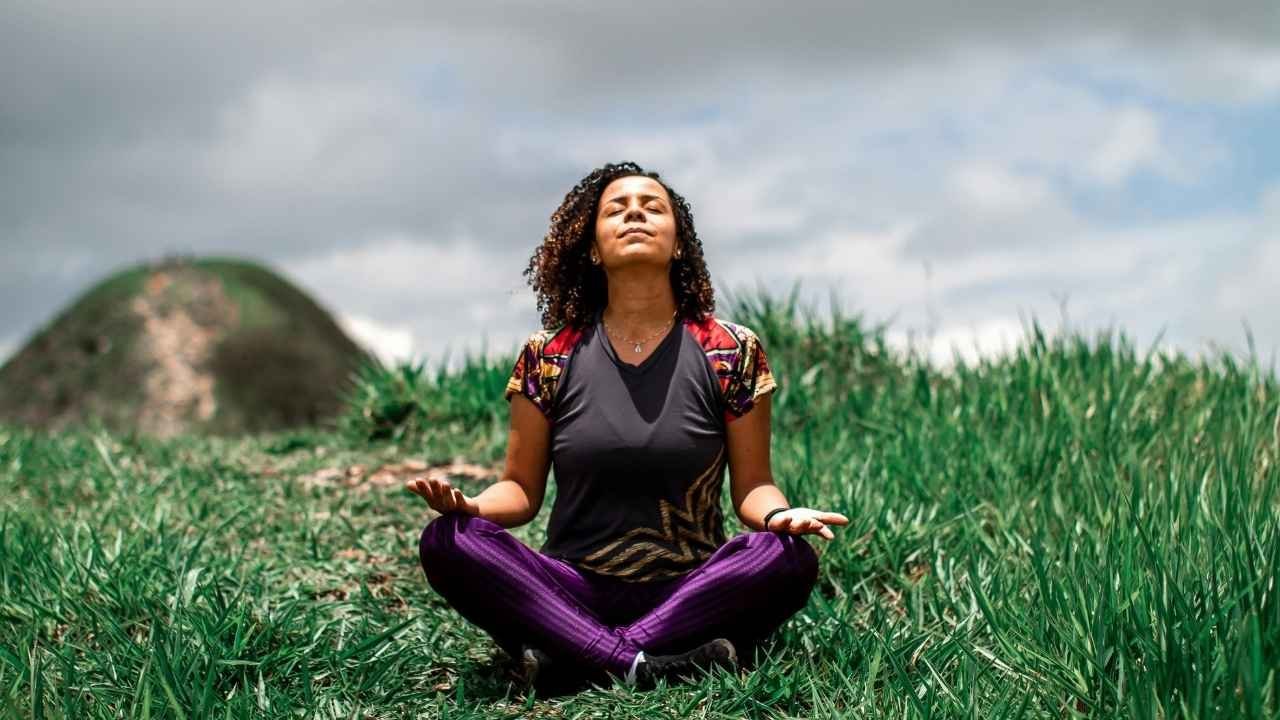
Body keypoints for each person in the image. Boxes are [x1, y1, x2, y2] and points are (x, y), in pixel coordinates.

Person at [408, 161, 848, 693]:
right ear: (593, 248)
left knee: (784, 557)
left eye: (652, 207)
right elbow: (520, 490)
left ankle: (578, 656)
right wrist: (472, 508)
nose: (635, 213)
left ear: (678, 244)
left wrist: (780, 516)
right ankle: (645, 663)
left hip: (689, 590)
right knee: (448, 540)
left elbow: (754, 486)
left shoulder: (731, 350)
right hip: (573, 588)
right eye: (616, 209)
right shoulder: (549, 355)